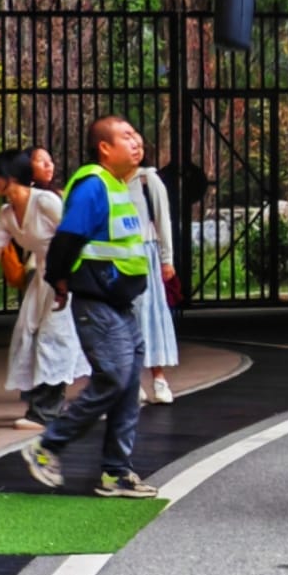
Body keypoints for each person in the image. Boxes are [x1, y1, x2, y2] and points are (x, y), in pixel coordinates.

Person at [21, 115, 157, 499]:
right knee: (113, 377)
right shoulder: (93, 185)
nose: (137, 141)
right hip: (97, 303)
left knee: (128, 386)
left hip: (120, 304)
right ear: (104, 147)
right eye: (126, 136)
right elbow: (68, 237)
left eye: (136, 134)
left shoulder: (118, 185)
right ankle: (47, 446)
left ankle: (116, 472)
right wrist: (59, 279)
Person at [0, 150, 87, 429]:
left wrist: (65, 278)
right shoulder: (6, 214)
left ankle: (46, 411)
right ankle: (44, 405)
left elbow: (74, 236)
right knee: (28, 334)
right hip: (42, 276)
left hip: (64, 275)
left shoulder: (45, 201)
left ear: (11, 177)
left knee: (54, 338)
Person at [128, 146, 178, 405]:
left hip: (146, 254)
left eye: (137, 144)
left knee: (150, 317)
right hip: (120, 255)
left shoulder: (148, 179)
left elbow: (163, 220)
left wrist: (166, 259)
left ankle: (159, 378)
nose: (134, 149)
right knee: (127, 318)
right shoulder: (106, 181)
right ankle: (133, 381)